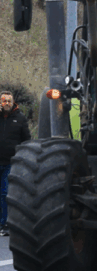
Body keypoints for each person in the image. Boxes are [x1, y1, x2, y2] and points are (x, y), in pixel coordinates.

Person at [0, 91, 31, 236]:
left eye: (9, 101)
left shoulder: (20, 118)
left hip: (11, 161)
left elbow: (26, 139)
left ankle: (4, 223)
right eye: (4, 101)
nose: (6, 103)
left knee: (5, 193)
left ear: (13, 102)